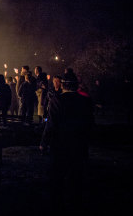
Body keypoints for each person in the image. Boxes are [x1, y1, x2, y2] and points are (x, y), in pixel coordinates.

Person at [40, 71, 94, 213]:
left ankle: (58, 206)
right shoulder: (85, 101)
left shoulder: (57, 100)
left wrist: (43, 142)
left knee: (57, 178)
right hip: (78, 144)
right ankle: (76, 204)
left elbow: (51, 124)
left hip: (60, 144)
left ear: (63, 86)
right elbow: (90, 123)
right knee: (76, 177)